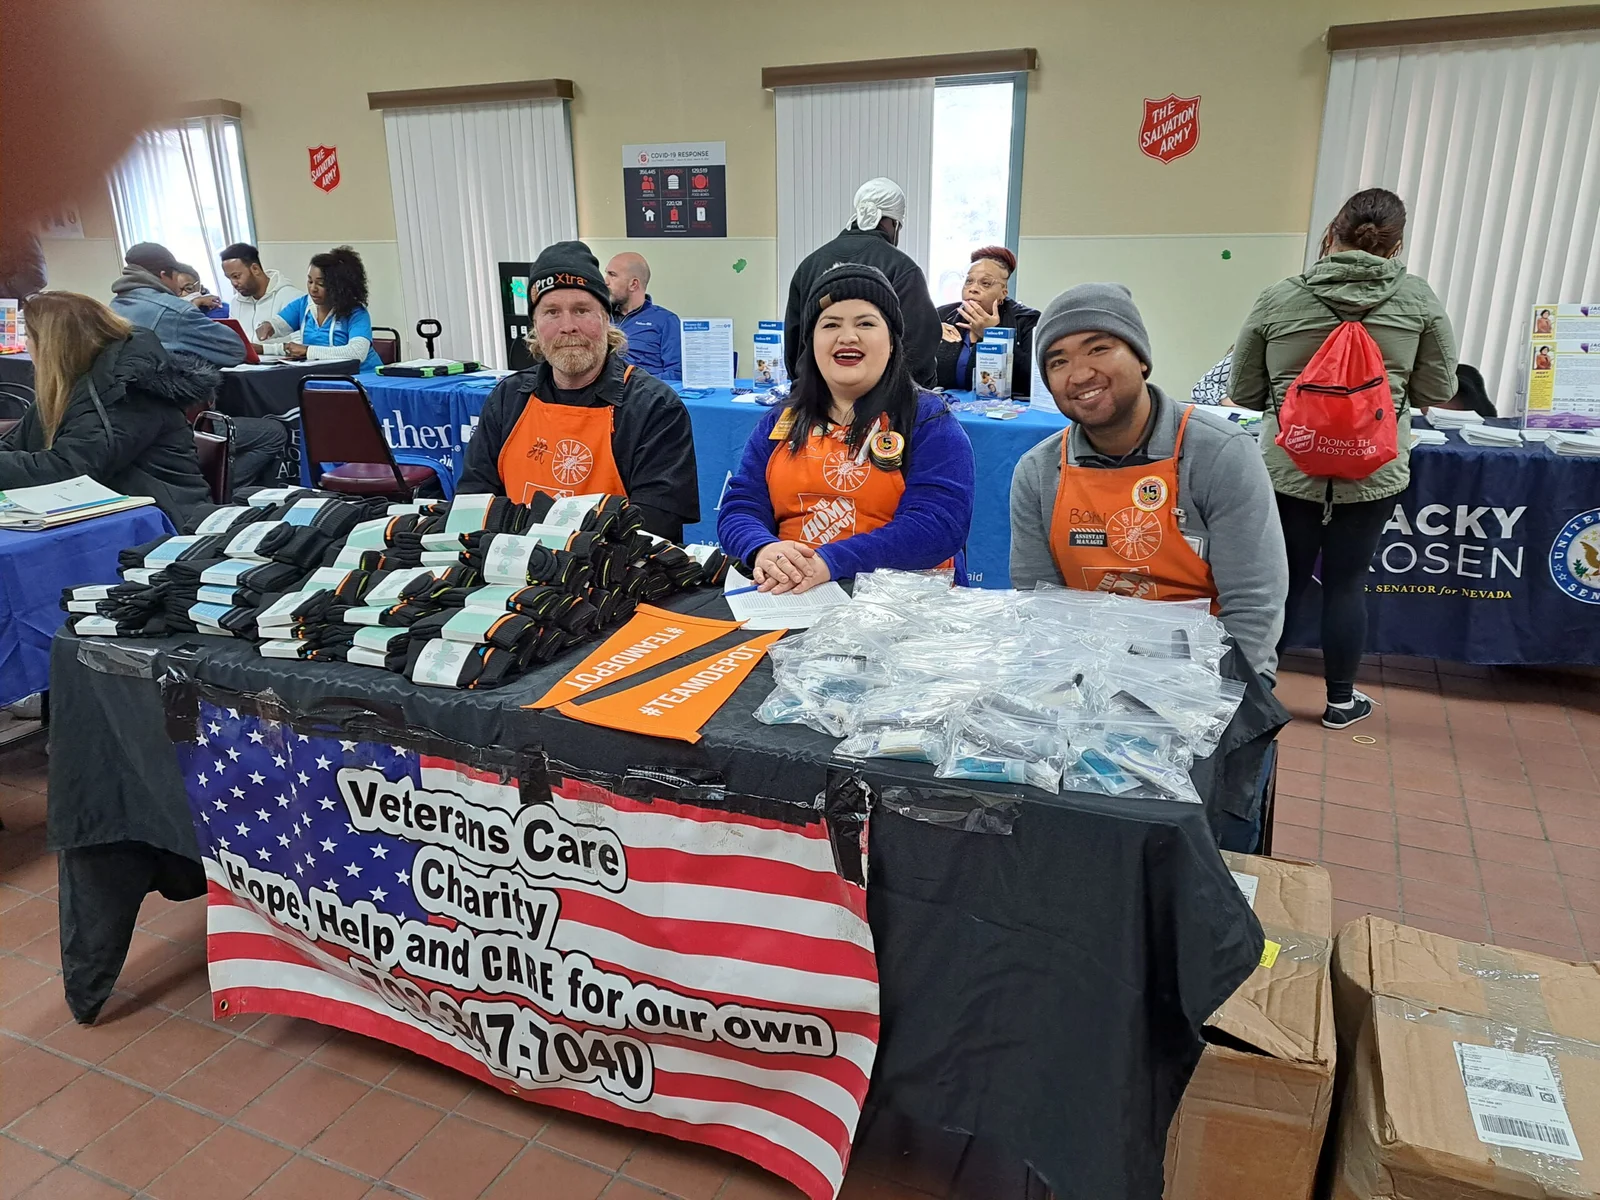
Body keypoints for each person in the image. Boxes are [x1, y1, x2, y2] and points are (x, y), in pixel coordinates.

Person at [1231, 187, 1457, 729]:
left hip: (1289, 466)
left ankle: (1257, 699)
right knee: (1348, 581)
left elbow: (1243, 390)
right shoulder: (1418, 299)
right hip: (1373, 468)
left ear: (1332, 233)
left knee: (1279, 583)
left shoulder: (1280, 297)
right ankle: (1339, 701)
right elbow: (1439, 387)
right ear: (1396, 245)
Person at [1010, 283, 1287, 682]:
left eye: (1098, 349)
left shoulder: (1220, 453)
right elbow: (1043, 606)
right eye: (1058, 361)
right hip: (1088, 677)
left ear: (1141, 358)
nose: (1080, 373)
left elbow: (1254, 605)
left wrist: (1216, 696)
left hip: (1211, 677)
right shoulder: (1038, 472)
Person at [720, 263, 975, 593]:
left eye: (866, 323)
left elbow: (936, 526)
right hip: (790, 594)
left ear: (892, 342)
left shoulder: (928, 420)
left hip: (904, 602)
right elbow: (741, 505)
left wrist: (829, 562)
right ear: (812, 342)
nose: (847, 336)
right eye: (830, 324)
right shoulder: (780, 420)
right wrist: (763, 549)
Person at [458, 240, 699, 540]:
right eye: (551, 312)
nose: (568, 326)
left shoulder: (655, 408)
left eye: (582, 310)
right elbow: (473, 504)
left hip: (612, 568)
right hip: (511, 563)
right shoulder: (507, 399)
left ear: (606, 319)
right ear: (535, 325)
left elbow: (653, 532)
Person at [0, 292, 212, 524]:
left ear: (53, 345)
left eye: (28, 336)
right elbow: (15, 444)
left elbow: (69, 470)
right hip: (108, 515)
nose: (26, 345)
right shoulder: (76, 384)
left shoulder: (129, 391)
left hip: (162, 522)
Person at [784, 179, 941, 388]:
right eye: (832, 325)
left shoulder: (809, 266)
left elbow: (794, 342)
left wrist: (805, 388)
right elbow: (920, 347)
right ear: (894, 224)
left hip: (816, 396)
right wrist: (905, 396)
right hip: (884, 400)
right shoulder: (902, 268)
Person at [110, 242, 245, 367]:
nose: (179, 291)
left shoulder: (113, 307)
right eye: (176, 279)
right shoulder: (176, 311)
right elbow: (235, 350)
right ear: (164, 275)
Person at [935, 246, 1040, 396]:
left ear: (1003, 293)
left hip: (1005, 408)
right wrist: (929, 337)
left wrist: (992, 335)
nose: (973, 289)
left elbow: (1034, 381)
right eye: (969, 281)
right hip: (947, 405)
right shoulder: (942, 316)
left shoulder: (1027, 321)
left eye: (985, 283)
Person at [256, 246, 381, 371]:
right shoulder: (303, 304)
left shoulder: (356, 313)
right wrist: (268, 328)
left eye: (321, 284)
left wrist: (307, 351)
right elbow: (279, 325)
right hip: (324, 376)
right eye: (310, 281)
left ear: (339, 286)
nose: (313, 289)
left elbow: (357, 353)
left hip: (363, 376)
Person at [605, 252, 681, 380]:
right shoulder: (602, 316)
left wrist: (635, 383)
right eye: (606, 273)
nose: (605, 281)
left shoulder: (665, 321)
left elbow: (676, 373)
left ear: (633, 284)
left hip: (641, 389)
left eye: (612, 275)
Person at [220, 242, 303, 354]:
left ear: (255, 269)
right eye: (229, 278)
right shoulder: (236, 302)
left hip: (279, 363)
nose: (233, 283)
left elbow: (302, 345)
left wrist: (264, 350)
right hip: (243, 362)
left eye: (236, 276)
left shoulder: (293, 298)